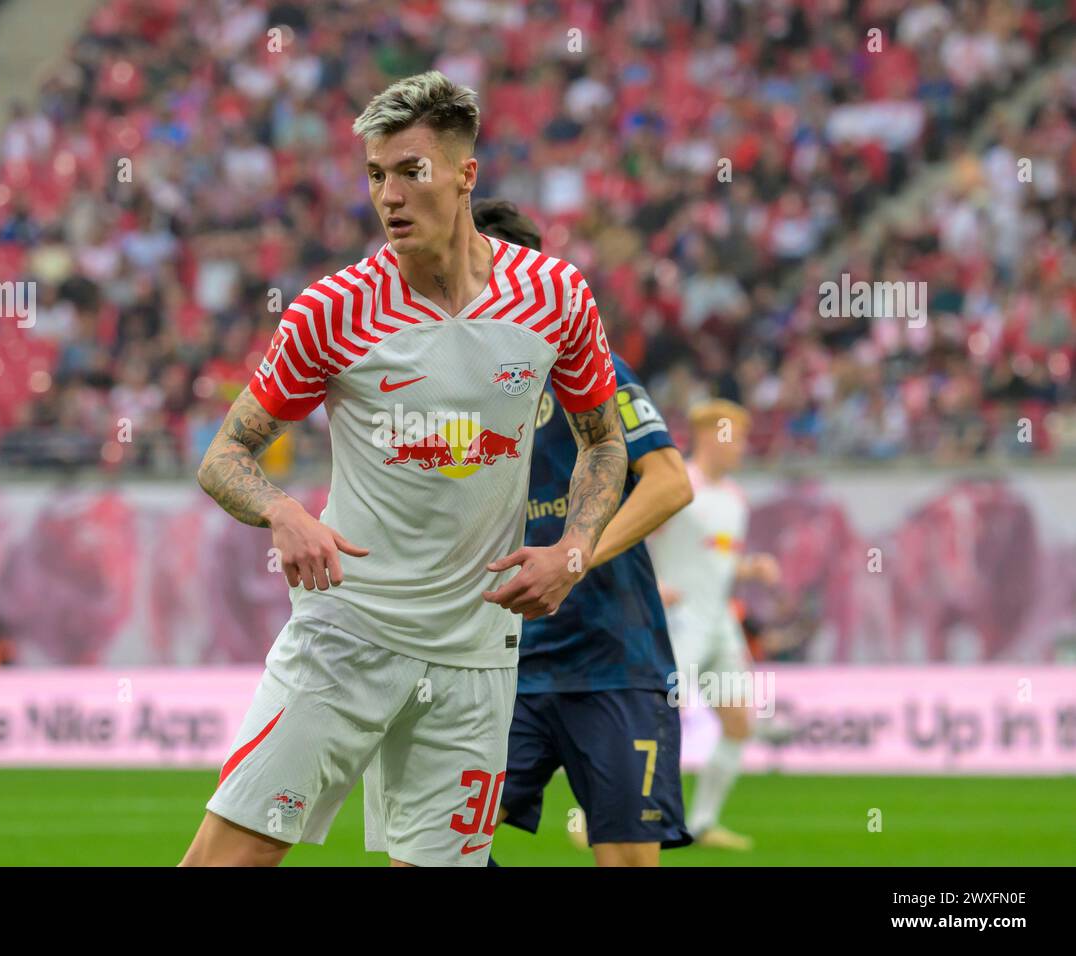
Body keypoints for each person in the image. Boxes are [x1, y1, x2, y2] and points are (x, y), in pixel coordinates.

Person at [180, 71, 627, 867]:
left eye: (410, 171)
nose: (389, 194)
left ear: (465, 175)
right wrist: (283, 512)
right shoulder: (332, 309)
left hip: (478, 652)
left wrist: (574, 549)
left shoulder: (554, 297)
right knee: (228, 861)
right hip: (348, 633)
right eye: (376, 175)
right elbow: (224, 455)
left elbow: (604, 441)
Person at [464, 199, 695, 867]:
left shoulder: (592, 369)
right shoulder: (461, 393)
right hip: (506, 664)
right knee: (442, 846)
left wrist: (574, 553)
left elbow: (669, 481)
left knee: (625, 860)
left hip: (612, 662)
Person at [647, 399, 781, 850]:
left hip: (720, 620)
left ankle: (701, 824)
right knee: (658, 718)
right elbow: (631, 538)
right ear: (709, 436)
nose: (742, 446)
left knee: (740, 721)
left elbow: (716, 562)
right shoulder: (674, 484)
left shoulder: (735, 499)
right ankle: (602, 815)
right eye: (735, 436)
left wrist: (750, 568)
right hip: (677, 619)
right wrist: (654, 583)